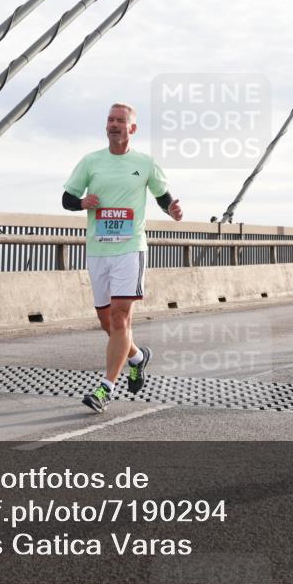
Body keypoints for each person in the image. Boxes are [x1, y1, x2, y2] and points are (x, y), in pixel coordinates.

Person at [62, 103, 183, 413]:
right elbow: (67, 198)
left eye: (121, 121)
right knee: (107, 321)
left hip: (130, 249)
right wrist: (82, 202)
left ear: (132, 129)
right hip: (98, 249)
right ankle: (137, 358)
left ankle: (105, 389)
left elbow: (162, 196)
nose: (114, 125)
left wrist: (172, 210)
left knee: (120, 317)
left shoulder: (145, 164)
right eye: (110, 120)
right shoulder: (91, 162)